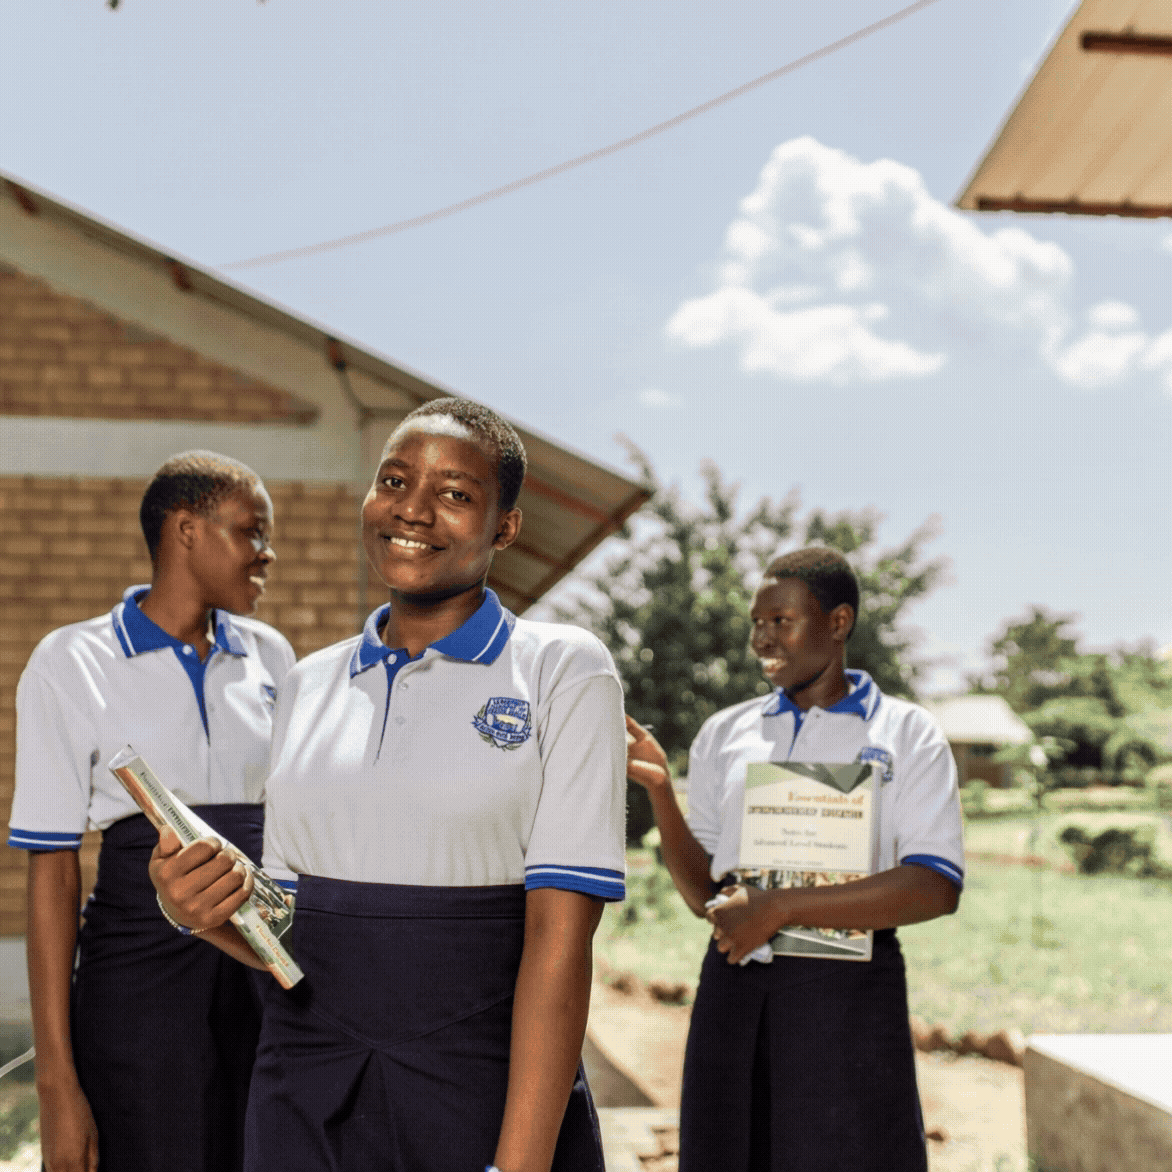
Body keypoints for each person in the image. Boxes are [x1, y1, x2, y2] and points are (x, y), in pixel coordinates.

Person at [151, 398, 627, 1172]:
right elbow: (290, 934)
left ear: (504, 527)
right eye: (396, 480)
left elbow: (558, 944)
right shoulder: (308, 684)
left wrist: (519, 1166)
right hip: (302, 1089)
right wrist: (194, 911)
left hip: (479, 1090)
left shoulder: (561, 669)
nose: (414, 509)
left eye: (456, 494)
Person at [625, 547, 964, 1172]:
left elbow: (934, 885)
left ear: (838, 623)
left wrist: (777, 908)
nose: (762, 638)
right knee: (729, 1151)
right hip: (735, 987)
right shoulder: (726, 734)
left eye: (781, 621)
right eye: (757, 622)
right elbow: (707, 895)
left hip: (851, 993)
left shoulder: (906, 733)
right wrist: (661, 796)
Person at [9, 452, 296, 1172]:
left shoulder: (274, 658)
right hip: (137, 991)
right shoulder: (71, 661)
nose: (268, 553)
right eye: (251, 531)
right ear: (187, 530)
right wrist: (56, 1084)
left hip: (265, 978)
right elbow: (52, 874)